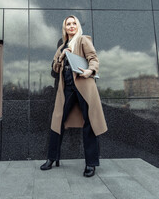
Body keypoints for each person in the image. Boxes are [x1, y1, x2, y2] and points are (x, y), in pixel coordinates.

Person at [40, 15, 108, 177]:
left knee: (89, 123)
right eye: (68, 24)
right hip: (67, 88)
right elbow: (55, 69)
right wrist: (62, 56)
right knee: (57, 122)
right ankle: (51, 158)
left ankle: (91, 164)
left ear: (77, 26)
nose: (71, 26)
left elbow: (93, 58)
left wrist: (90, 71)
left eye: (73, 23)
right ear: (65, 28)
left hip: (84, 85)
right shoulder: (62, 46)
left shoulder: (83, 40)